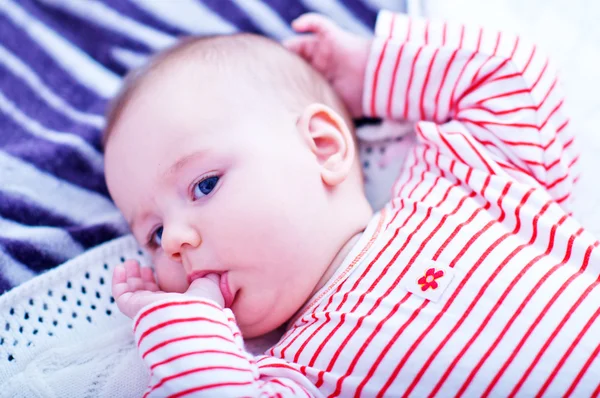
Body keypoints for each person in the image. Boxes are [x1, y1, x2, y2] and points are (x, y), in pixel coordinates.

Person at [103, 9, 599, 397]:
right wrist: (184, 334)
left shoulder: (459, 179)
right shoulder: (290, 376)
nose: (176, 242)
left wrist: (371, 73)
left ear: (323, 146)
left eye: (204, 185)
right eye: (153, 234)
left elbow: (512, 78)